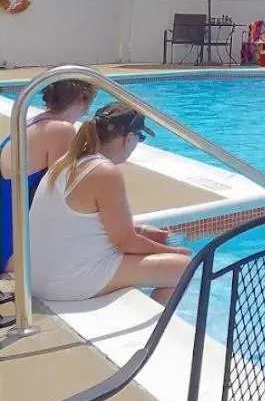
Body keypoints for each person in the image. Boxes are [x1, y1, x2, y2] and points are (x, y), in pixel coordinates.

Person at [28, 104, 191, 305]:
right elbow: (125, 242)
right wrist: (172, 251)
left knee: (140, 258)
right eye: (140, 138)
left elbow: (82, 224)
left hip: (37, 277)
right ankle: (153, 332)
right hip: (61, 284)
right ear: (128, 138)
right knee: (183, 267)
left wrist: (140, 231)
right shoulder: (104, 171)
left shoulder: (68, 162)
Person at [1, 78, 97, 273]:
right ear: (85, 99)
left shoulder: (32, 122)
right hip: (14, 249)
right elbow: (63, 196)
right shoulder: (62, 130)